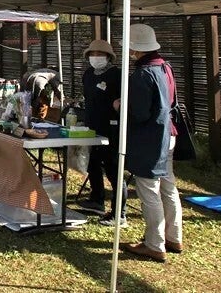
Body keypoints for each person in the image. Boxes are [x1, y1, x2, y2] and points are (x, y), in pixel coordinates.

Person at [120, 23, 184, 263]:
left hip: (151, 138)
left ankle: (154, 244)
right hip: (169, 133)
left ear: (135, 48)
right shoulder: (165, 67)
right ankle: (173, 237)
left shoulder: (143, 74)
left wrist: (121, 105)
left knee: (149, 189)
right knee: (168, 186)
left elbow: (140, 113)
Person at [77, 39, 126, 225]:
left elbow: (125, 101)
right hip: (91, 126)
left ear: (108, 57)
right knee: (93, 164)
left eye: (100, 54)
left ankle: (119, 212)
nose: (96, 57)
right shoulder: (88, 74)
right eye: (93, 54)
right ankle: (97, 199)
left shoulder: (117, 75)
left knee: (113, 169)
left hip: (111, 128)